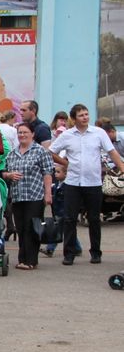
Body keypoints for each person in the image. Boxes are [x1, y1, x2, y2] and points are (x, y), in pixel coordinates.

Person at [49, 104, 124, 265]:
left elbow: (112, 152)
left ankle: (95, 252)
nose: (85, 117)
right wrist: (65, 163)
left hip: (93, 182)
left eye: (86, 114)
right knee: (69, 219)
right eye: (81, 115)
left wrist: (122, 168)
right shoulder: (67, 135)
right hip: (73, 182)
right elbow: (51, 151)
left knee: (94, 218)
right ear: (74, 118)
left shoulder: (99, 133)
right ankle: (69, 253)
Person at [1, 123, 53, 270]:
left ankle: (31, 260)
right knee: (21, 228)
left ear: (32, 134)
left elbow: (47, 173)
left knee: (32, 228)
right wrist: (9, 175)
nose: (22, 135)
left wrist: (48, 194)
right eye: (20, 133)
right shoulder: (12, 153)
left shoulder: (40, 151)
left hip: (35, 195)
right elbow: (4, 172)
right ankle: (22, 258)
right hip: (18, 196)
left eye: (25, 132)